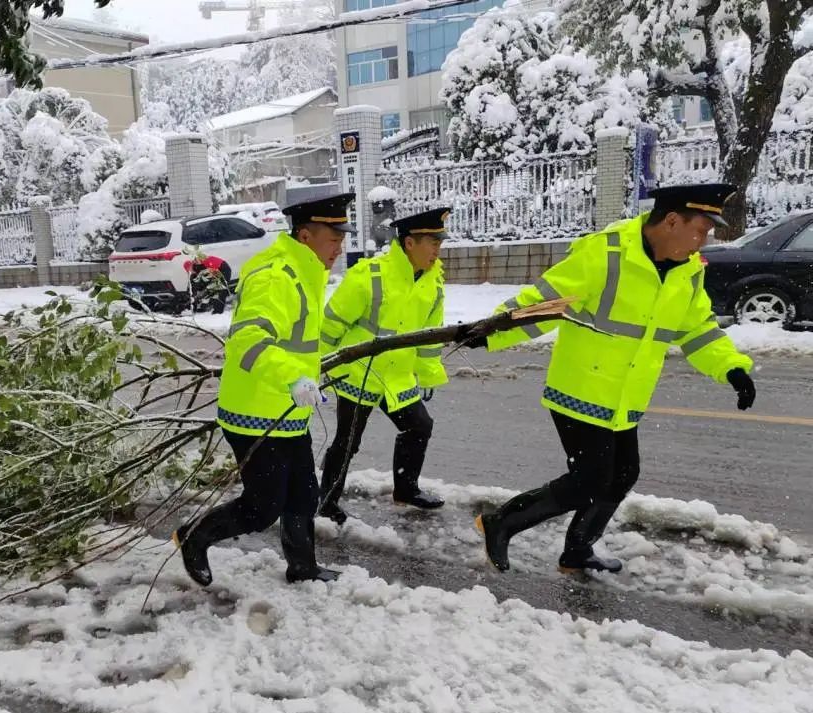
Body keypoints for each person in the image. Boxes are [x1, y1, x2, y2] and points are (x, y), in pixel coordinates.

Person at [471, 183, 756, 574]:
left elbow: (698, 329)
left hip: (627, 396)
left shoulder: (688, 272)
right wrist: (492, 330)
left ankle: (577, 551)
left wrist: (731, 368)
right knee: (590, 478)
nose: (704, 241)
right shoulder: (604, 253)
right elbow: (542, 304)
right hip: (580, 389)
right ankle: (501, 522)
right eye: (702, 230)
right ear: (672, 220)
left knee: (622, 474)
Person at [172, 193, 355, 586]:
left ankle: (303, 567)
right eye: (332, 238)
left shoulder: (304, 271)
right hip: (254, 412)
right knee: (263, 507)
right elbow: (248, 340)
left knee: (304, 495)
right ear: (305, 236)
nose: (339, 248)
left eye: (341, 239)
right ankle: (194, 535)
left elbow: (298, 338)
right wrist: (293, 377)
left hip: (287, 409)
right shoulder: (277, 275)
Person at [317, 207, 451, 524]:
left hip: (397, 376)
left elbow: (429, 337)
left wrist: (428, 374)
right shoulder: (370, 276)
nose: (437, 250)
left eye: (439, 244)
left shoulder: (434, 283)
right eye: (432, 242)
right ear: (409, 244)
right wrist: (316, 366)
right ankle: (326, 501)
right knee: (348, 441)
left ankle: (405, 489)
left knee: (419, 426)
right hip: (359, 373)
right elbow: (331, 325)